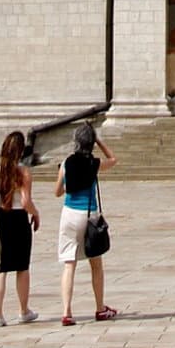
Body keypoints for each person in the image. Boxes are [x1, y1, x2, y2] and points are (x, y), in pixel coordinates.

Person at [54, 121, 117, 325]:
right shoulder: (93, 163)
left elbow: (57, 191)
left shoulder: (66, 162)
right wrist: (98, 140)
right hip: (88, 215)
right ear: (90, 143)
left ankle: (66, 311)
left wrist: (67, 185)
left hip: (69, 214)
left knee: (69, 264)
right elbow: (113, 159)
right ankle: (100, 307)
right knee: (96, 264)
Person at [0, 130, 40, 328]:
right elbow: (25, 201)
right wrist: (36, 213)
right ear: (22, 150)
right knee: (22, 267)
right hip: (18, 219)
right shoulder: (23, 171)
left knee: (0, 268)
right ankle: (23, 310)